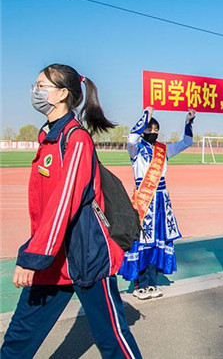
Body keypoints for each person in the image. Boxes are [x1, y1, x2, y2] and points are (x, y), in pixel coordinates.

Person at [1, 64, 141, 358]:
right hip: (53, 257)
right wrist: (42, 254)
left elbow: (63, 205)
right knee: (18, 339)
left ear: (63, 93)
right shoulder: (49, 137)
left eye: (42, 86)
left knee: (112, 340)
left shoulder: (76, 140)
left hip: (86, 255)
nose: (35, 91)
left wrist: (33, 257)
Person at [118, 107, 196, 300]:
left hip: (161, 202)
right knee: (142, 242)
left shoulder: (163, 149)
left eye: (156, 130)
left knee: (157, 241)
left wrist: (188, 122)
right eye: (149, 129)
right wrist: (146, 116)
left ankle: (152, 283)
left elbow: (186, 142)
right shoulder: (136, 149)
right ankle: (140, 285)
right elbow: (131, 139)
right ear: (143, 130)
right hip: (143, 201)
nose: (153, 132)